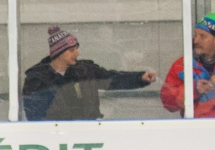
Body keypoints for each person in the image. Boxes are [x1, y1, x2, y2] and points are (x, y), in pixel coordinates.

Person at [22, 26, 157, 121]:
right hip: (56, 138)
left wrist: (140, 78)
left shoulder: (85, 70)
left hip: (88, 133)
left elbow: (112, 79)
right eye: (72, 50)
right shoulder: (37, 78)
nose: (77, 53)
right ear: (59, 53)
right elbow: (34, 116)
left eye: (76, 49)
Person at [159, 13, 215, 118]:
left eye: (203, 36)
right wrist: (192, 89)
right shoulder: (182, 65)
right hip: (195, 126)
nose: (196, 40)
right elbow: (167, 102)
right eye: (196, 35)